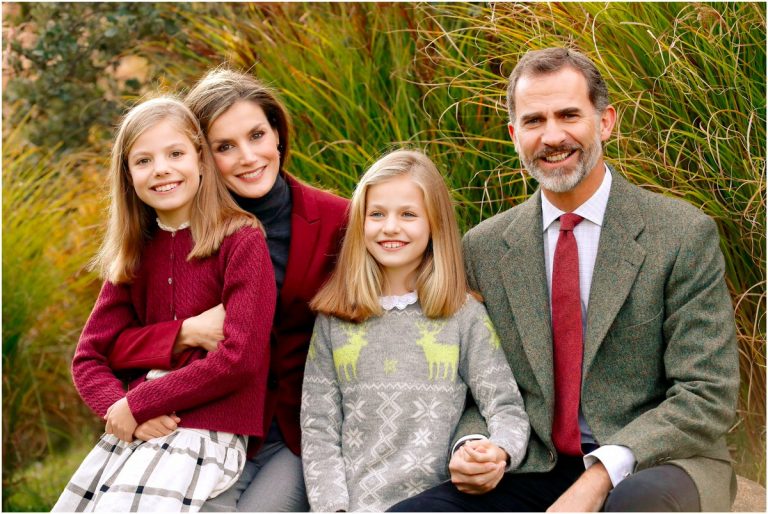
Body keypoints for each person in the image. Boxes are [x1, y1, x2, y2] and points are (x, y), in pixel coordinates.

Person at [389, 47, 739, 512]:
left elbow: (706, 392)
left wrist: (599, 477)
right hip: (533, 462)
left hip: (658, 462)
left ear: (606, 122)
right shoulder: (485, 247)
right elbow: (476, 385)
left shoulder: (680, 234)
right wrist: (474, 445)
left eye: (569, 115)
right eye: (534, 121)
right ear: (515, 135)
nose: (552, 136)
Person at [103, 69, 349, 511]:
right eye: (225, 147)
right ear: (201, 155)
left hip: (297, 433)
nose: (249, 157)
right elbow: (107, 345)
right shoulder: (171, 234)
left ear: (278, 134)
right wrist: (184, 332)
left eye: (257, 135)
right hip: (199, 429)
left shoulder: (338, 221)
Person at [52, 97, 276, 512]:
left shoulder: (241, 241)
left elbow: (239, 359)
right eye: (143, 160)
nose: (161, 169)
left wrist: (137, 403)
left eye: (175, 153)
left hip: (209, 430)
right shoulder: (135, 253)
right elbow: (88, 358)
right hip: (145, 429)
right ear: (128, 175)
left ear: (201, 160)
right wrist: (124, 413)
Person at [301, 149, 530, 512]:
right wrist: (333, 509)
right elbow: (319, 430)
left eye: (408, 214)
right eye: (376, 214)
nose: (390, 227)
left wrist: (498, 451)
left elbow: (505, 406)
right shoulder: (335, 319)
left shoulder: (463, 314)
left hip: (439, 501)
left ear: (434, 224)